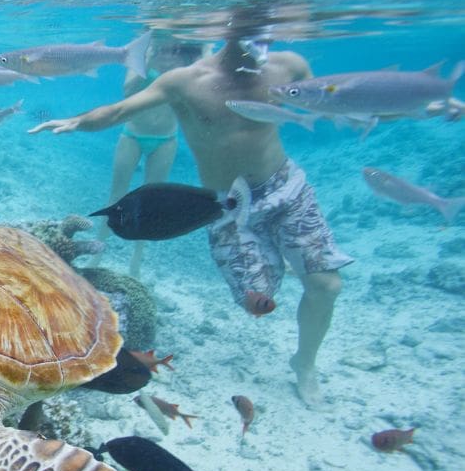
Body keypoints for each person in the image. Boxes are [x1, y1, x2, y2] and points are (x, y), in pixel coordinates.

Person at [29, 32, 349, 407]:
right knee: (256, 301)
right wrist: (76, 121)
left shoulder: (290, 65)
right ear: (223, 28)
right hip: (223, 202)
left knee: (326, 285)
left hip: (285, 186)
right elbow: (118, 112)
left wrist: (379, 106)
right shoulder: (183, 81)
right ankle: (281, 259)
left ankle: (304, 363)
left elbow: (324, 98)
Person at [93, 37, 208, 277]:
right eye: (162, 47)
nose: (169, 52)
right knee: (116, 196)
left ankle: (136, 260)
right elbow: (128, 91)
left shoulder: (188, 64)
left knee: (152, 202)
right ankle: (97, 253)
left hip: (166, 140)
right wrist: (151, 59)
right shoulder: (139, 58)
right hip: (132, 135)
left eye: (173, 48)